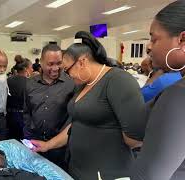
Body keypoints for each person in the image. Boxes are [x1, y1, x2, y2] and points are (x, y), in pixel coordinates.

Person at [31, 31, 146, 180]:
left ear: (82, 62)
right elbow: (76, 124)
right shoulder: (83, 84)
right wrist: (48, 145)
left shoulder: (118, 80)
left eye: (67, 70)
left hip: (106, 172)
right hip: (78, 168)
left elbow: (135, 138)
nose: (66, 75)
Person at [131, 1, 185, 179]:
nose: (149, 47)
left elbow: (148, 176)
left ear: (182, 40)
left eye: (154, 39)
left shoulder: (178, 94)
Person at [23, 44, 75, 169]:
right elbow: (27, 111)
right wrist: (29, 135)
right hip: (35, 143)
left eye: (59, 63)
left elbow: (74, 116)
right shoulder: (30, 84)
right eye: (50, 64)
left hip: (60, 147)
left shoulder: (71, 84)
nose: (55, 68)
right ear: (41, 62)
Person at [7, 58, 33, 140]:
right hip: (22, 118)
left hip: (9, 117)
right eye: (31, 67)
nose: (32, 69)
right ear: (26, 69)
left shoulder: (8, 80)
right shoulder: (29, 82)